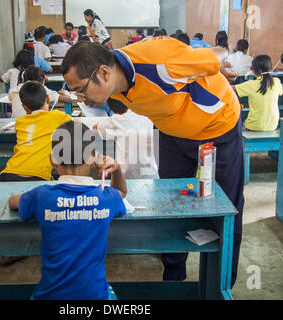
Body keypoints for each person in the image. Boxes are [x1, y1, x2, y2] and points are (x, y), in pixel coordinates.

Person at [61, 39, 244, 288]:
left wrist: (219, 66)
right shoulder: (113, 79)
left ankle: (221, 285)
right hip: (172, 132)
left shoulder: (161, 64)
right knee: (171, 200)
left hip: (218, 127)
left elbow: (217, 54)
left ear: (103, 73)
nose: (80, 98)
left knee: (228, 205)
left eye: (81, 90)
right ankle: (173, 279)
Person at [7, 120, 127, 300]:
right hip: (95, 295)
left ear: (52, 159)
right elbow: (122, 192)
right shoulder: (106, 198)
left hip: (49, 295)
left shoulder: (42, 196)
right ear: (93, 158)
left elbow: (12, 202)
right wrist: (116, 169)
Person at [0, 81, 71, 182]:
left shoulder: (20, 122)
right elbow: (75, 125)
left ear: (24, 107)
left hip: (9, 173)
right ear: (48, 99)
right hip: (38, 175)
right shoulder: (58, 117)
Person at [92, 98, 159, 179]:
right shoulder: (150, 113)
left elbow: (98, 129)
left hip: (127, 174)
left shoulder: (118, 118)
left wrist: (98, 125)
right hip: (152, 171)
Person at [232, 55, 283, 131]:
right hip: (273, 125)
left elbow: (230, 89)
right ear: (270, 68)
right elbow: (280, 93)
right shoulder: (276, 81)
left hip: (253, 126)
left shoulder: (250, 84)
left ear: (254, 71)